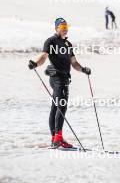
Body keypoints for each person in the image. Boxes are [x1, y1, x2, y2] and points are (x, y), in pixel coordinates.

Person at [28, 17, 91, 148]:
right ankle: (58, 138)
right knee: (61, 106)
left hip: (65, 79)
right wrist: (35, 63)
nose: (64, 30)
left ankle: (55, 138)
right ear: (56, 28)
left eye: (66, 27)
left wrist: (83, 69)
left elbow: (74, 63)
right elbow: (43, 57)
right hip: (57, 78)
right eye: (62, 27)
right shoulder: (50, 41)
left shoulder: (68, 44)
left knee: (56, 107)